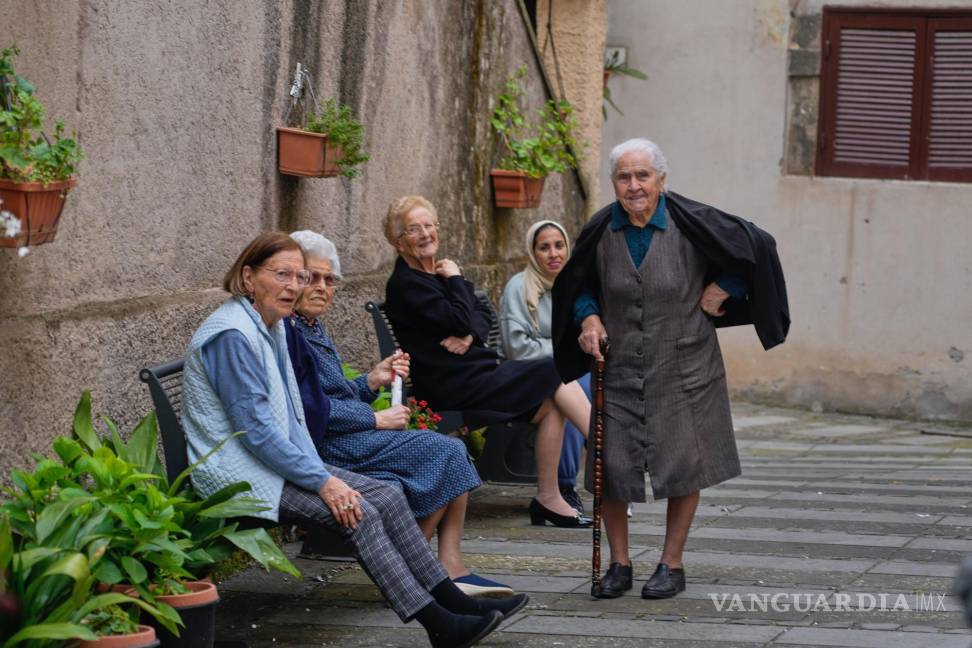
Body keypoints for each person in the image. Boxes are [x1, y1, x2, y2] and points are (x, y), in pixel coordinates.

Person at [180, 232, 527, 647]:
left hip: (273, 462)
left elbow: (283, 420)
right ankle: (439, 623)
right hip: (240, 474)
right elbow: (258, 433)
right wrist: (324, 480)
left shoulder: (267, 325)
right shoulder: (233, 335)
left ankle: (453, 600)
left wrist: (319, 472)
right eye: (282, 274)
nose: (293, 285)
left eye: (299, 275)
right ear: (248, 276)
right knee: (357, 509)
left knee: (388, 496)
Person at [552, 138, 789, 601]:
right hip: (617, 365)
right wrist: (588, 316)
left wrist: (726, 286)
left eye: (643, 175)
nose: (634, 185)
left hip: (686, 362)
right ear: (614, 183)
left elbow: (756, 249)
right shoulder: (601, 230)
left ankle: (671, 563)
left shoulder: (691, 222)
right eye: (624, 177)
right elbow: (579, 286)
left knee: (685, 463)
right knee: (612, 464)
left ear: (661, 179)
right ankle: (619, 565)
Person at [286, 229, 510, 598]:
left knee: (447, 451)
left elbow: (333, 393)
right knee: (447, 451)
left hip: (347, 436)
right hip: (327, 448)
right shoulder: (291, 333)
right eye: (312, 277)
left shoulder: (312, 327)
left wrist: (372, 380)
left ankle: (434, 566)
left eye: (330, 279)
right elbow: (311, 412)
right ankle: (419, 568)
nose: (323, 287)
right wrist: (376, 418)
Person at [382, 195, 593, 529]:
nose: (424, 234)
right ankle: (605, 448)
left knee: (552, 404)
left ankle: (549, 498)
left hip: (477, 376)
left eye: (428, 225)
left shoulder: (433, 274)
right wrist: (456, 279)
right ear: (398, 242)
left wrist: (468, 335)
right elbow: (464, 316)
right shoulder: (407, 284)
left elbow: (480, 314)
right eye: (413, 229)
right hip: (452, 386)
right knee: (554, 370)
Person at [499, 220, 588, 515]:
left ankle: (608, 479)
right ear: (532, 252)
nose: (553, 254)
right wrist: (567, 352)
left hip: (558, 369)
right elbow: (518, 349)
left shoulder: (576, 286)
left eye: (559, 245)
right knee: (568, 386)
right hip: (524, 377)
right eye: (544, 247)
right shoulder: (519, 288)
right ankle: (566, 483)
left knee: (596, 382)